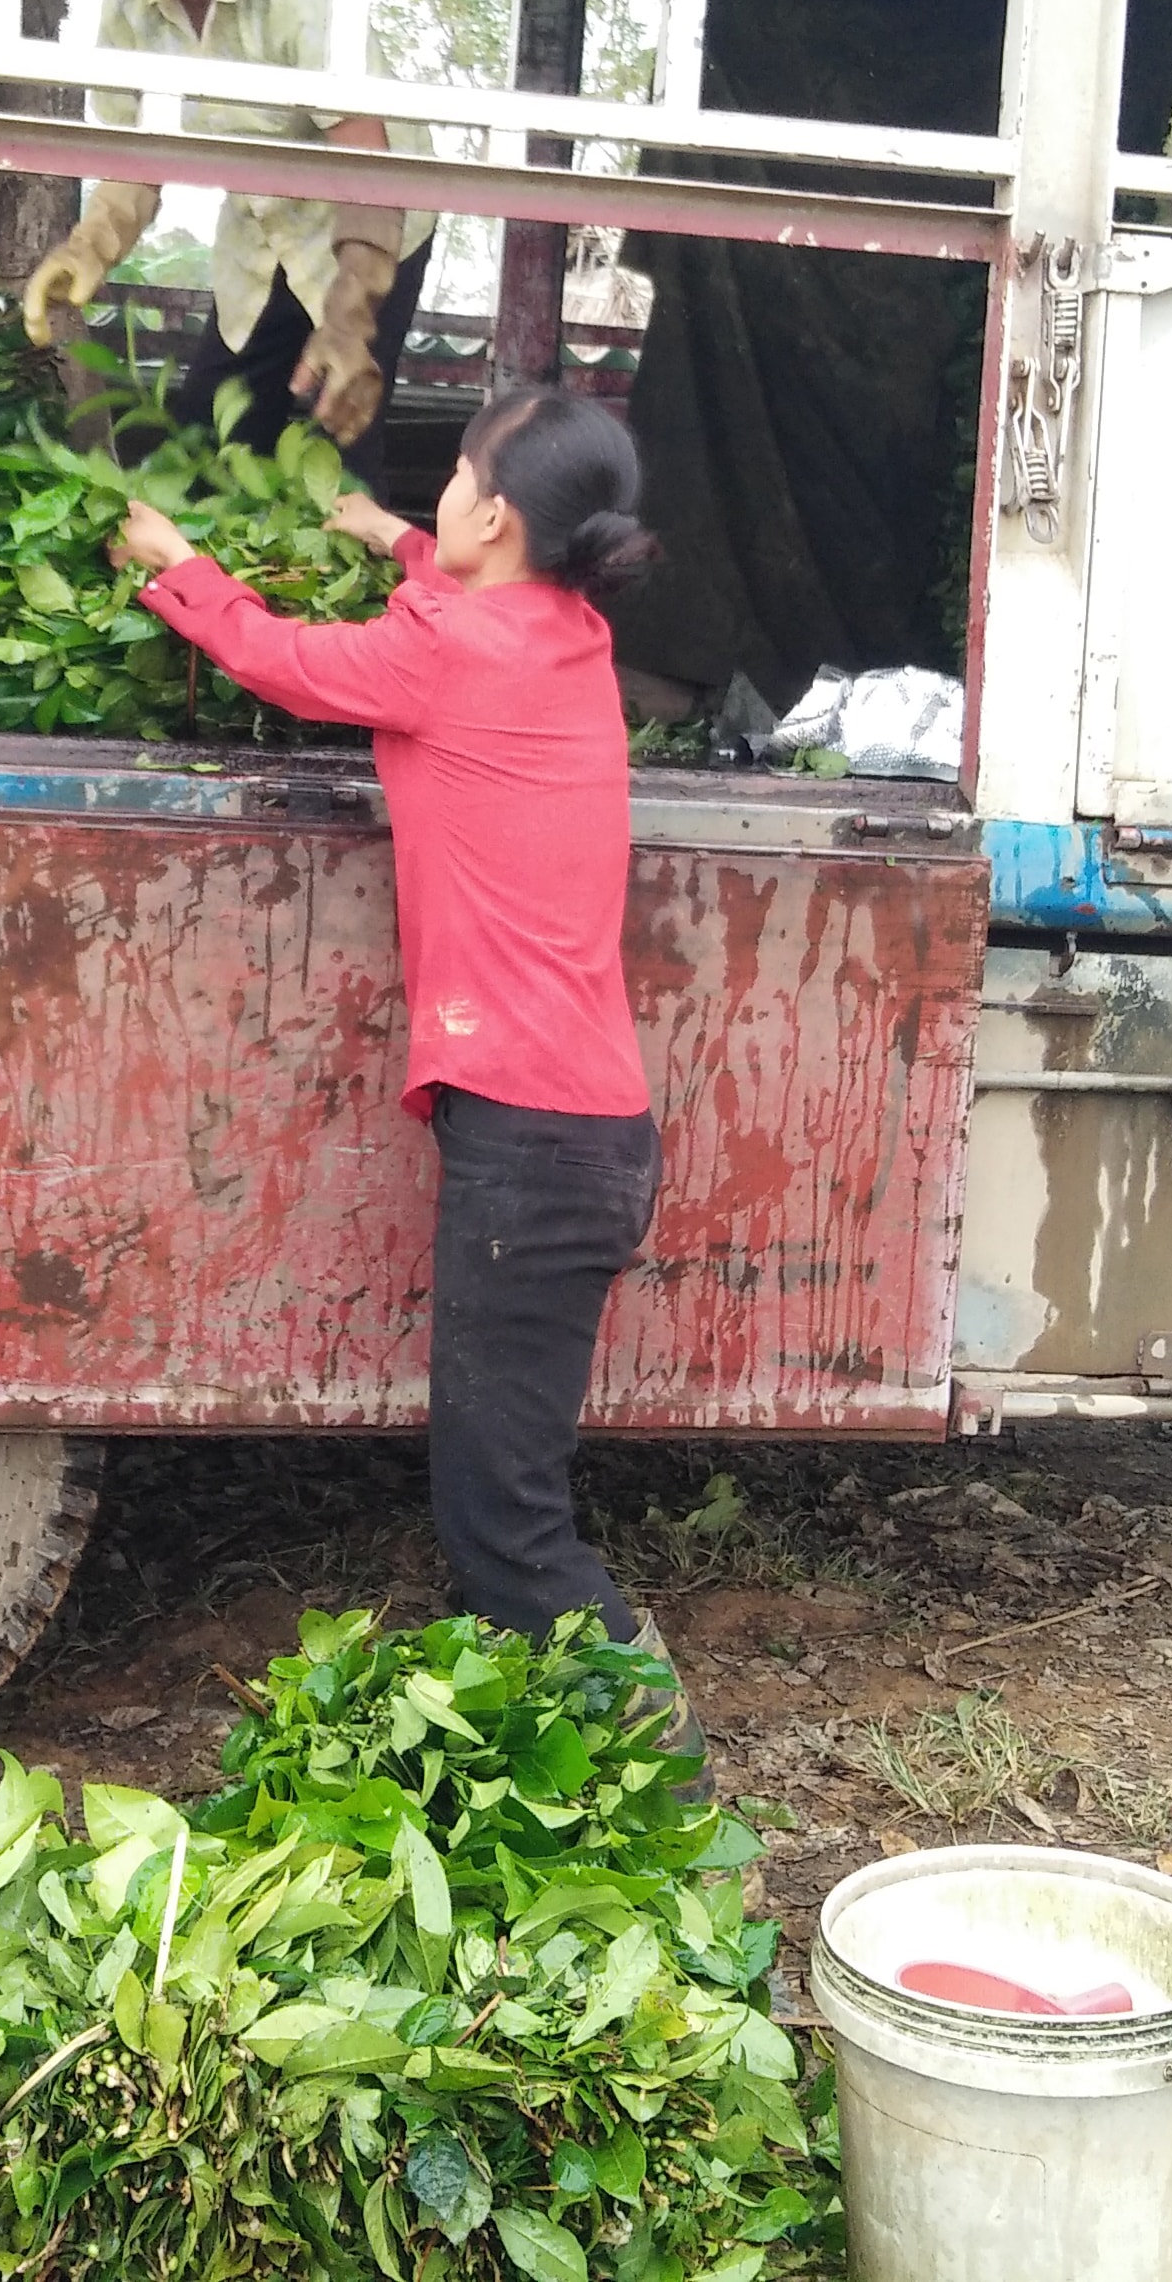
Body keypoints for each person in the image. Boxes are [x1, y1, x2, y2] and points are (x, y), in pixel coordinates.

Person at [109, 389, 698, 1742]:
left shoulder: (449, 656)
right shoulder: (564, 629)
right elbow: (462, 602)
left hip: (537, 1147)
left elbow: (284, 659)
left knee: (503, 1523)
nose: (435, 493)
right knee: (499, 1499)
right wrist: (389, 532)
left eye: (449, 478)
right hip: (574, 1129)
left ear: (494, 518)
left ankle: (659, 1782)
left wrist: (173, 567)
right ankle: (576, 1761)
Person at [21, 0, 435, 481]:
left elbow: (372, 173)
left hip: (370, 235)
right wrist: (87, 247)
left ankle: (349, 584)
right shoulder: (126, 9)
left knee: (335, 433)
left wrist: (347, 319)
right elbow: (134, 160)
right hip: (260, 232)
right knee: (211, 434)